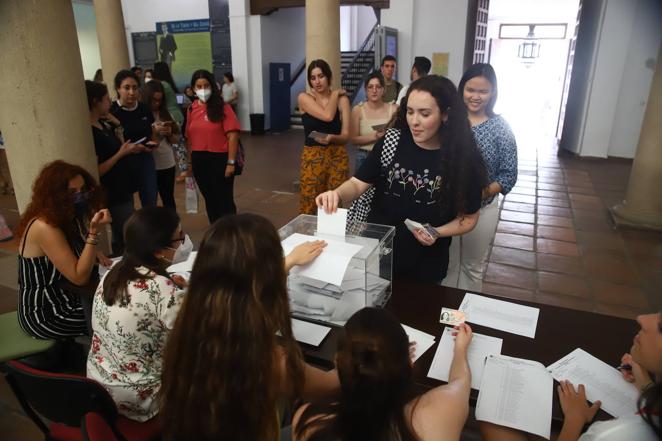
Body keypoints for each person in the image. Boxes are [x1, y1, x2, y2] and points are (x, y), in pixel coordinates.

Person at [159, 213, 339, 441]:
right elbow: (333, 385)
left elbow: (240, 288)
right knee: (316, 420)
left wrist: (290, 261)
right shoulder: (271, 361)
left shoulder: (188, 331)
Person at [317, 75, 488, 283]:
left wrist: (437, 232)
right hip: (376, 254)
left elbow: (469, 218)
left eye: (424, 114)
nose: (414, 121)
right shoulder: (392, 141)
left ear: (445, 114)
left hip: (425, 266)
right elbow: (357, 183)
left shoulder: (461, 158)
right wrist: (337, 194)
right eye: (409, 111)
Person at [294, 307, 473, 441]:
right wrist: (460, 349)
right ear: (409, 363)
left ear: (337, 363)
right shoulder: (440, 413)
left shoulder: (308, 422)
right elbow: (461, 381)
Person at [480, 312, 662, 441]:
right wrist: (645, 384)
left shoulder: (612, 435)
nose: (642, 319)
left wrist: (574, 419)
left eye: (661, 327)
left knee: (493, 413)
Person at [87, 207, 189, 422]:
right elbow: (197, 331)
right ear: (159, 251)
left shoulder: (113, 273)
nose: (184, 241)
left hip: (99, 386)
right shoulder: (162, 289)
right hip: (140, 398)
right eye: (180, 237)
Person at [443, 63, 517, 292]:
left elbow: (509, 174)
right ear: (461, 89)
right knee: (448, 263)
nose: (475, 96)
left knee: (472, 266)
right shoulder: (448, 121)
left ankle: (466, 317)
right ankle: (444, 312)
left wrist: (478, 194)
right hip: (447, 207)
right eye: (470, 89)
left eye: (483, 91)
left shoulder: (500, 128)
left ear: (493, 92)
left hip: (482, 208)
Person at [17, 161, 111, 339]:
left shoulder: (66, 216)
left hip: (69, 298)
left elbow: (71, 253)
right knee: (118, 318)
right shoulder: (45, 226)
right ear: (55, 196)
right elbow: (79, 277)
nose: (80, 197)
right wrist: (93, 234)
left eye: (83, 190)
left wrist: (93, 252)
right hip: (46, 314)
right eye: (72, 193)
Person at [86, 80, 142, 253]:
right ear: (96, 102)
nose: (109, 103)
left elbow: (118, 144)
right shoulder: (90, 132)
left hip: (122, 186)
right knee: (129, 233)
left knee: (122, 233)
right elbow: (96, 170)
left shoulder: (103, 124)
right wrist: (121, 153)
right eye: (106, 99)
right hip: (112, 191)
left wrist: (116, 123)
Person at [185, 69, 240, 223]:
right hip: (199, 159)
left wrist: (231, 162)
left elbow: (233, 135)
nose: (203, 90)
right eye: (199, 86)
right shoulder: (191, 109)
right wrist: (189, 164)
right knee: (210, 199)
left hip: (220, 159)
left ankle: (230, 231)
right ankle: (216, 229)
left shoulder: (223, 107)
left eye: (206, 85)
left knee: (224, 200)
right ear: (194, 89)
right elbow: (189, 137)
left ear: (213, 86)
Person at [298, 59, 351, 215]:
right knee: (309, 201)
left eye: (321, 76)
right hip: (312, 156)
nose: (317, 81)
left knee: (335, 204)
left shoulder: (343, 100)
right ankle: (307, 237)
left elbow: (346, 136)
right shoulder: (304, 98)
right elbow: (328, 116)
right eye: (313, 78)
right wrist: (334, 93)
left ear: (328, 77)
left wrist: (331, 138)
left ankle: (332, 238)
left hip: (337, 156)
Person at [110, 69, 158, 208]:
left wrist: (153, 142)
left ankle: (150, 227)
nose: (131, 92)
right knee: (126, 204)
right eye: (126, 88)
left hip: (145, 158)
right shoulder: (112, 112)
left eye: (135, 88)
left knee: (150, 198)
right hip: (123, 161)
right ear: (118, 89)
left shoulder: (143, 108)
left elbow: (152, 128)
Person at [142, 80, 180, 211]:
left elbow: (176, 140)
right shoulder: (142, 114)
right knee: (150, 200)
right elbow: (149, 142)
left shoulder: (165, 113)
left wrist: (169, 133)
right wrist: (154, 132)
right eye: (154, 100)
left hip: (166, 162)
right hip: (149, 162)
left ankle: (174, 227)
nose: (157, 103)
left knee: (168, 198)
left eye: (160, 100)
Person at [349, 71, 397, 170]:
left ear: (383, 89)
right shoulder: (358, 110)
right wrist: (375, 136)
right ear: (366, 90)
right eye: (370, 87)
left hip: (388, 155)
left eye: (378, 87)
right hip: (364, 156)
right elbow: (353, 139)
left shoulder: (394, 109)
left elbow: (399, 135)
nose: (374, 90)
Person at [152, 62, 187, 180]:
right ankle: (183, 168)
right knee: (178, 144)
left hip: (171, 117)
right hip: (177, 115)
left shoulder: (162, 85)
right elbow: (179, 99)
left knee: (178, 145)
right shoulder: (168, 83)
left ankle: (184, 170)